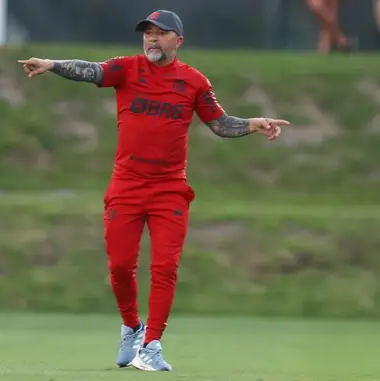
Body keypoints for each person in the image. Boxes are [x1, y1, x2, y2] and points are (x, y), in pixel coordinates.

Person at [17, 9, 290, 372]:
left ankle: (152, 344)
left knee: (165, 268)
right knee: (119, 266)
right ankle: (132, 326)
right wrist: (52, 64)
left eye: (161, 33)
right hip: (126, 185)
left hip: (169, 189)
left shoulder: (193, 81)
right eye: (147, 33)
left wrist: (255, 124)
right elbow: (92, 70)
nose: (151, 39)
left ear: (178, 41)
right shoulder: (127, 69)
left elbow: (219, 123)